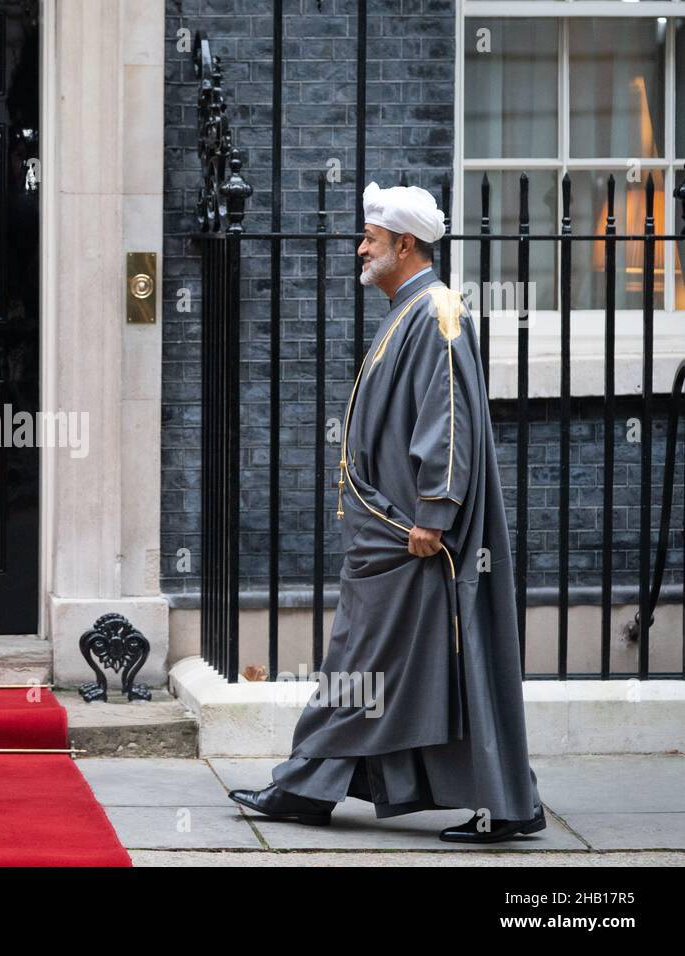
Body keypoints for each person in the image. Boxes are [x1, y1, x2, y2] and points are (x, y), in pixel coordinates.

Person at [228, 181, 546, 844]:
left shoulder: (436, 312)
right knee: (408, 668)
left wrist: (433, 513)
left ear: (404, 245)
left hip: (410, 535)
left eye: (370, 239)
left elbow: (449, 420)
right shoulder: (411, 308)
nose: (358, 248)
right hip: (394, 533)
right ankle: (498, 802)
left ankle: (306, 787)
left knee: (361, 662)